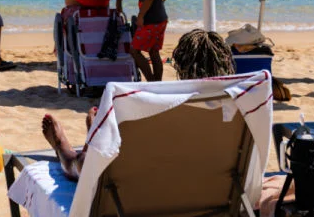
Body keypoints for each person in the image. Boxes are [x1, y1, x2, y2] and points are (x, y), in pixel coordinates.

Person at [40, 28, 234, 181]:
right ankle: (95, 137)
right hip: (211, 185)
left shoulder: (167, 107)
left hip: (159, 186)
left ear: (180, 67)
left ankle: (64, 145)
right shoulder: (240, 107)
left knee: (82, 164)